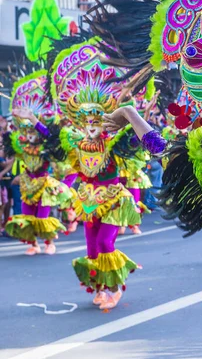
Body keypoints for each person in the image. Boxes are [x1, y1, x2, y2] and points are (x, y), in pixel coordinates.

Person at [49, 38, 141, 310]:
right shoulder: (76, 143)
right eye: (86, 121)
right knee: (91, 247)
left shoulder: (114, 143)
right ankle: (100, 288)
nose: (91, 125)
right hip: (88, 199)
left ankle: (114, 288)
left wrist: (131, 113)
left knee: (104, 242)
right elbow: (54, 145)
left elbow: (138, 140)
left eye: (96, 120)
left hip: (113, 199)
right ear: (80, 121)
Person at [3, 72, 74, 255]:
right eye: (26, 132)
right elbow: (8, 143)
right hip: (27, 184)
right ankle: (33, 244)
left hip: (43, 185)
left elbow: (49, 135)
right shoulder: (20, 145)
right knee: (27, 217)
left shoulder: (45, 144)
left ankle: (50, 242)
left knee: (42, 216)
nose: (29, 136)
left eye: (31, 132)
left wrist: (32, 119)